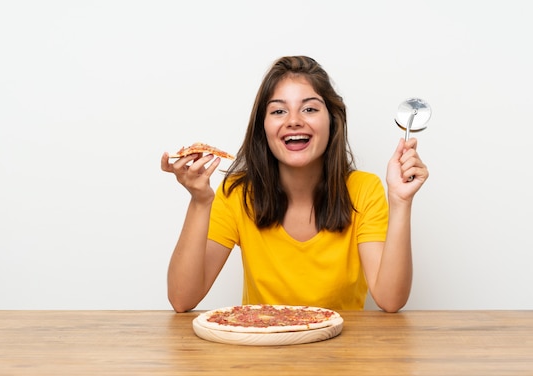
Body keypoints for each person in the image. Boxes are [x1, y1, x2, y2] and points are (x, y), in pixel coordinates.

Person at [160, 56, 428, 313]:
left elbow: (390, 300)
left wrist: (401, 201)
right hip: (262, 352)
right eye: (278, 111)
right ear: (262, 128)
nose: (294, 121)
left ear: (333, 121)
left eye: (309, 108)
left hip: (342, 354)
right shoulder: (238, 194)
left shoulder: (363, 190)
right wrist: (200, 201)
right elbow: (183, 299)